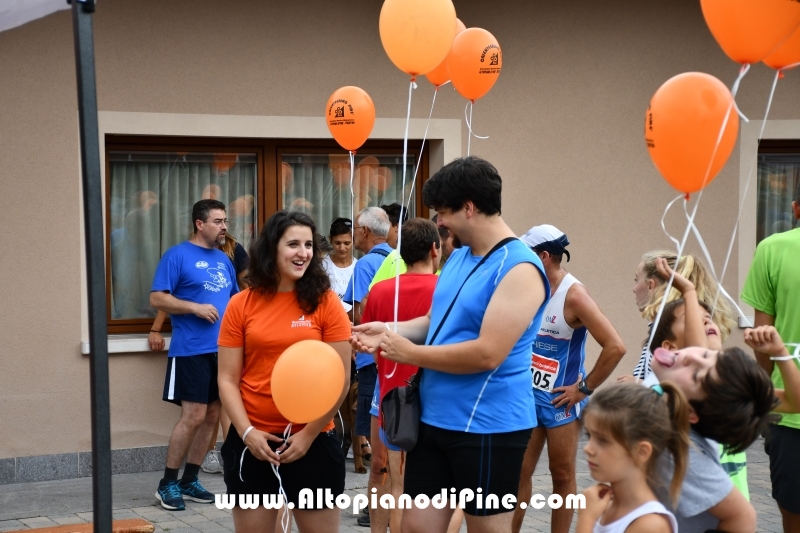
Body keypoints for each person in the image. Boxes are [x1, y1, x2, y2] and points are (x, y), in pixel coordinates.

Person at [351, 156, 549, 532]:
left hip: (489, 428)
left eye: (443, 212)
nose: (438, 222)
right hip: (433, 419)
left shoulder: (520, 267)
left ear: (470, 208)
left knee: (486, 530)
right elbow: (435, 322)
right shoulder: (459, 258)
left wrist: (408, 353)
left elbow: (488, 352)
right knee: (415, 528)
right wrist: (388, 329)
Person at [217, 210, 351, 533]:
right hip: (253, 442)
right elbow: (227, 378)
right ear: (272, 248)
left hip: (313, 441)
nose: (303, 252)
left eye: (308, 245)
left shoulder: (326, 303)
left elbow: (341, 379)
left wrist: (307, 435)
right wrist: (247, 433)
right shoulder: (241, 305)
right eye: (293, 244)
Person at [513, 225, 626, 533]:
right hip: (529, 394)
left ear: (545, 256)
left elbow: (615, 346)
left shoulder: (574, 295)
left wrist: (583, 388)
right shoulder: (529, 287)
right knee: (520, 473)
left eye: (527, 255)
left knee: (561, 474)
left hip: (560, 399)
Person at [150, 199, 239, 511]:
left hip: (223, 351)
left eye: (225, 220)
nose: (224, 226)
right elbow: (157, 296)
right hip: (191, 350)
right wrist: (194, 307)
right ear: (200, 224)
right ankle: (167, 483)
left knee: (213, 415)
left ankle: (190, 479)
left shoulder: (223, 259)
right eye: (218, 221)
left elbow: (235, 301)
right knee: (194, 416)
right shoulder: (177, 255)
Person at [361, 218, 441, 533]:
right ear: (435, 249)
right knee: (419, 490)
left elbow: (367, 342)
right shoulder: (445, 288)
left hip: (388, 395)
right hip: (430, 396)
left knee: (390, 479)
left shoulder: (380, 291)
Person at [646, 341, 777, 532]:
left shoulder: (676, 449)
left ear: (691, 412)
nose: (691, 356)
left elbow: (743, 517)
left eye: (696, 374)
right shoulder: (669, 419)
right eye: (707, 354)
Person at [741, 185, 800, 533]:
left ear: (794, 208)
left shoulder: (772, 248)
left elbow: (761, 338)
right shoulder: (774, 249)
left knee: (792, 515)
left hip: (786, 410)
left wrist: (764, 396)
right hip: (789, 415)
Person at [576, 383, 687, 533]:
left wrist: (585, 520)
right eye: (589, 436)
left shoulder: (650, 525)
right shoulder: (603, 506)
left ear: (641, 452)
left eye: (603, 440)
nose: (587, 448)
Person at [630, 251, 735, 379]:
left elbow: (694, 362)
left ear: (651, 285)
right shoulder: (658, 330)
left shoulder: (667, 332)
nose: (634, 288)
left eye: (636, 279)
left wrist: (641, 386)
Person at [344, 207, 393, 467]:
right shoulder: (398, 259)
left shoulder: (365, 264)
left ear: (364, 231)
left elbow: (358, 316)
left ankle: (380, 498)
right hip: (396, 352)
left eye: (354, 230)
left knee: (375, 431)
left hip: (369, 356)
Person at [322, 217, 357, 313]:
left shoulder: (359, 267)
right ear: (330, 240)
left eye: (347, 243)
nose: (342, 248)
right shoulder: (322, 265)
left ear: (354, 241)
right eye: (337, 243)